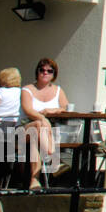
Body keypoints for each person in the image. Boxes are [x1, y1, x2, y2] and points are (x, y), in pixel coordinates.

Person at [21, 57, 69, 189]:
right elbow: (28, 110)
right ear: (37, 72)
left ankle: (34, 180)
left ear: (54, 74)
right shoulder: (27, 89)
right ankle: (55, 159)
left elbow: (66, 109)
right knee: (37, 125)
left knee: (35, 136)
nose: (45, 73)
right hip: (24, 129)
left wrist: (52, 110)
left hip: (46, 134)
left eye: (49, 70)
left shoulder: (58, 90)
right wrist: (43, 118)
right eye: (42, 70)